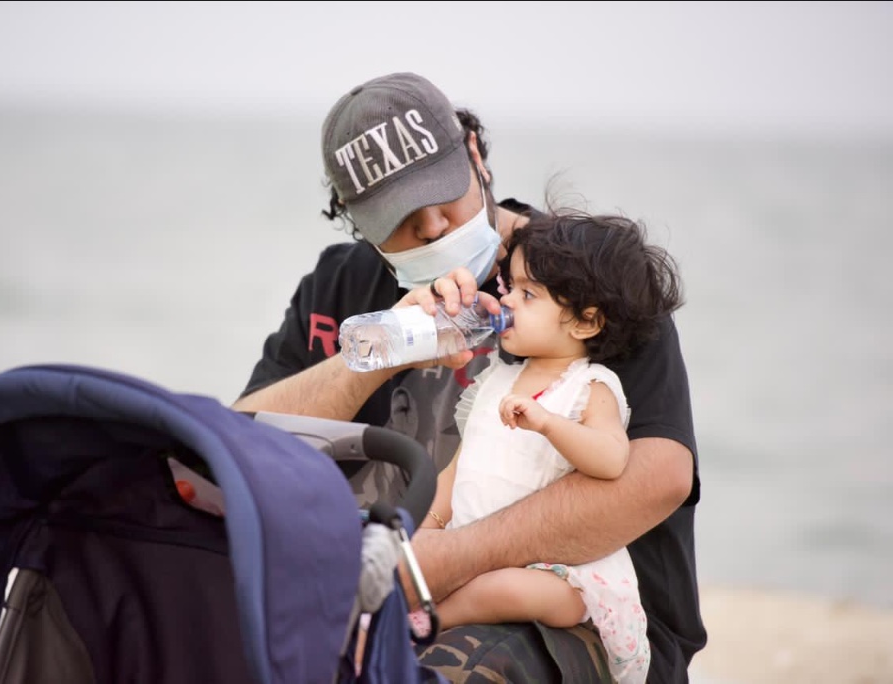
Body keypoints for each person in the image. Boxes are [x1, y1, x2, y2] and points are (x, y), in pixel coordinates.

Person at [233, 71, 706, 682]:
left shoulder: (585, 275)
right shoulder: (338, 287)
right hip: (372, 595)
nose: (432, 226)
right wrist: (377, 352)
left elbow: (660, 477)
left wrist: (439, 561)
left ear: (475, 156)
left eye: (442, 196)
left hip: (569, 615)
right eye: (399, 216)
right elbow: (229, 452)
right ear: (356, 220)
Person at [410, 211, 683, 683]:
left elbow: (611, 458)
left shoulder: (590, 387)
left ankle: (433, 619)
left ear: (585, 322)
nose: (507, 300)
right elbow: (459, 468)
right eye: (509, 287)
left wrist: (550, 425)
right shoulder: (497, 379)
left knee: (504, 589)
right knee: (448, 574)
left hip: (556, 573)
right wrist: (423, 530)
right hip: (471, 547)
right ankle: (425, 606)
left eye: (528, 294)